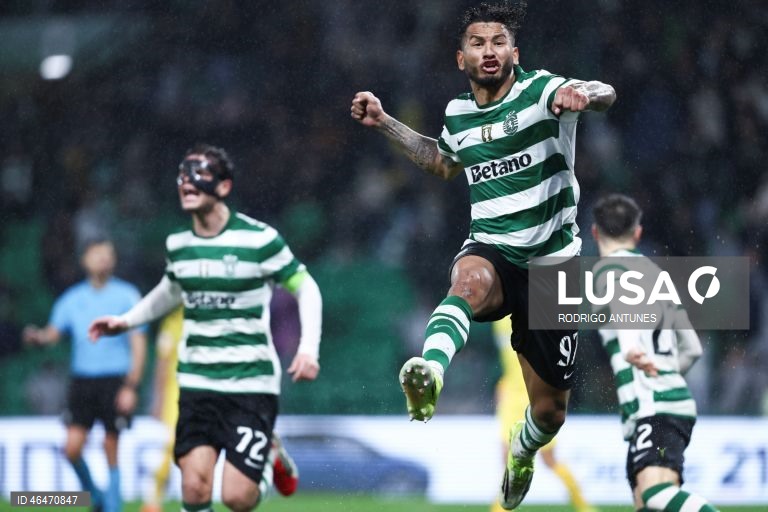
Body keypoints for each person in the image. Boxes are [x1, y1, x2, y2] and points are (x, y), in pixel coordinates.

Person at [350, 1, 615, 509]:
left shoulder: (542, 90)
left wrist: (584, 93)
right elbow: (443, 161)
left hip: (553, 265)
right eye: (478, 43)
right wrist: (385, 122)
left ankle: (523, 450)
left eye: (498, 42)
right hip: (493, 247)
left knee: (550, 413)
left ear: (514, 52)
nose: (489, 51)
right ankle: (429, 372)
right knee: (466, 282)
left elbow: (606, 94)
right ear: (460, 58)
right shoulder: (458, 113)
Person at [88, 143, 320, 512]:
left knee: (236, 497)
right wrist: (126, 321)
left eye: (199, 173)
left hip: (250, 386)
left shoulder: (260, 240)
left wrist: (308, 348)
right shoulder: (179, 245)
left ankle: (267, 458)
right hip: (197, 384)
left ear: (224, 187)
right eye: (182, 174)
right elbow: (170, 291)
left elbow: (306, 287)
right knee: (194, 490)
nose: (187, 181)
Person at [591, 193, 719, 512]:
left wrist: (631, 345)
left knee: (655, 494)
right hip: (664, 403)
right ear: (637, 232)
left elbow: (624, 305)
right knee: (644, 504)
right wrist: (666, 372)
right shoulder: (658, 276)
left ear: (595, 232)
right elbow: (693, 348)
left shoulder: (608, 269)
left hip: (655, 406)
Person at [24, 238, 148, 512]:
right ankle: (95, 497)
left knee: (110, 445)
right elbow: (52, 334)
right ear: (84, 260)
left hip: (115, 380)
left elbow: (139, 343)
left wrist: (131, 385)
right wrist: (38, 337)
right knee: (71, 448)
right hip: (83, 381)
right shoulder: (72, 299)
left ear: (114, 259)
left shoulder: (127, 295)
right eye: (97, 254)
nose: (103, 258)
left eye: (108, 254)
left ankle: (112, 507)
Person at [491, 317, 596, 512]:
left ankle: (584, 507)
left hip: (534, 392)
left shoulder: (530, 310)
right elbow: (507, 359)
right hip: (510, 395)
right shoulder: (498, 315)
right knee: (506, 459)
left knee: (549, 459)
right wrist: (503, 383)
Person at [141, 306, 183, 512]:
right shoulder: (172, 323)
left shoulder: (208, 318)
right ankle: (153, 498)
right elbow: (162, 363)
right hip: (174, 395)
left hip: (202, 393)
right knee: (171, 444)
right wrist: (157, 399)